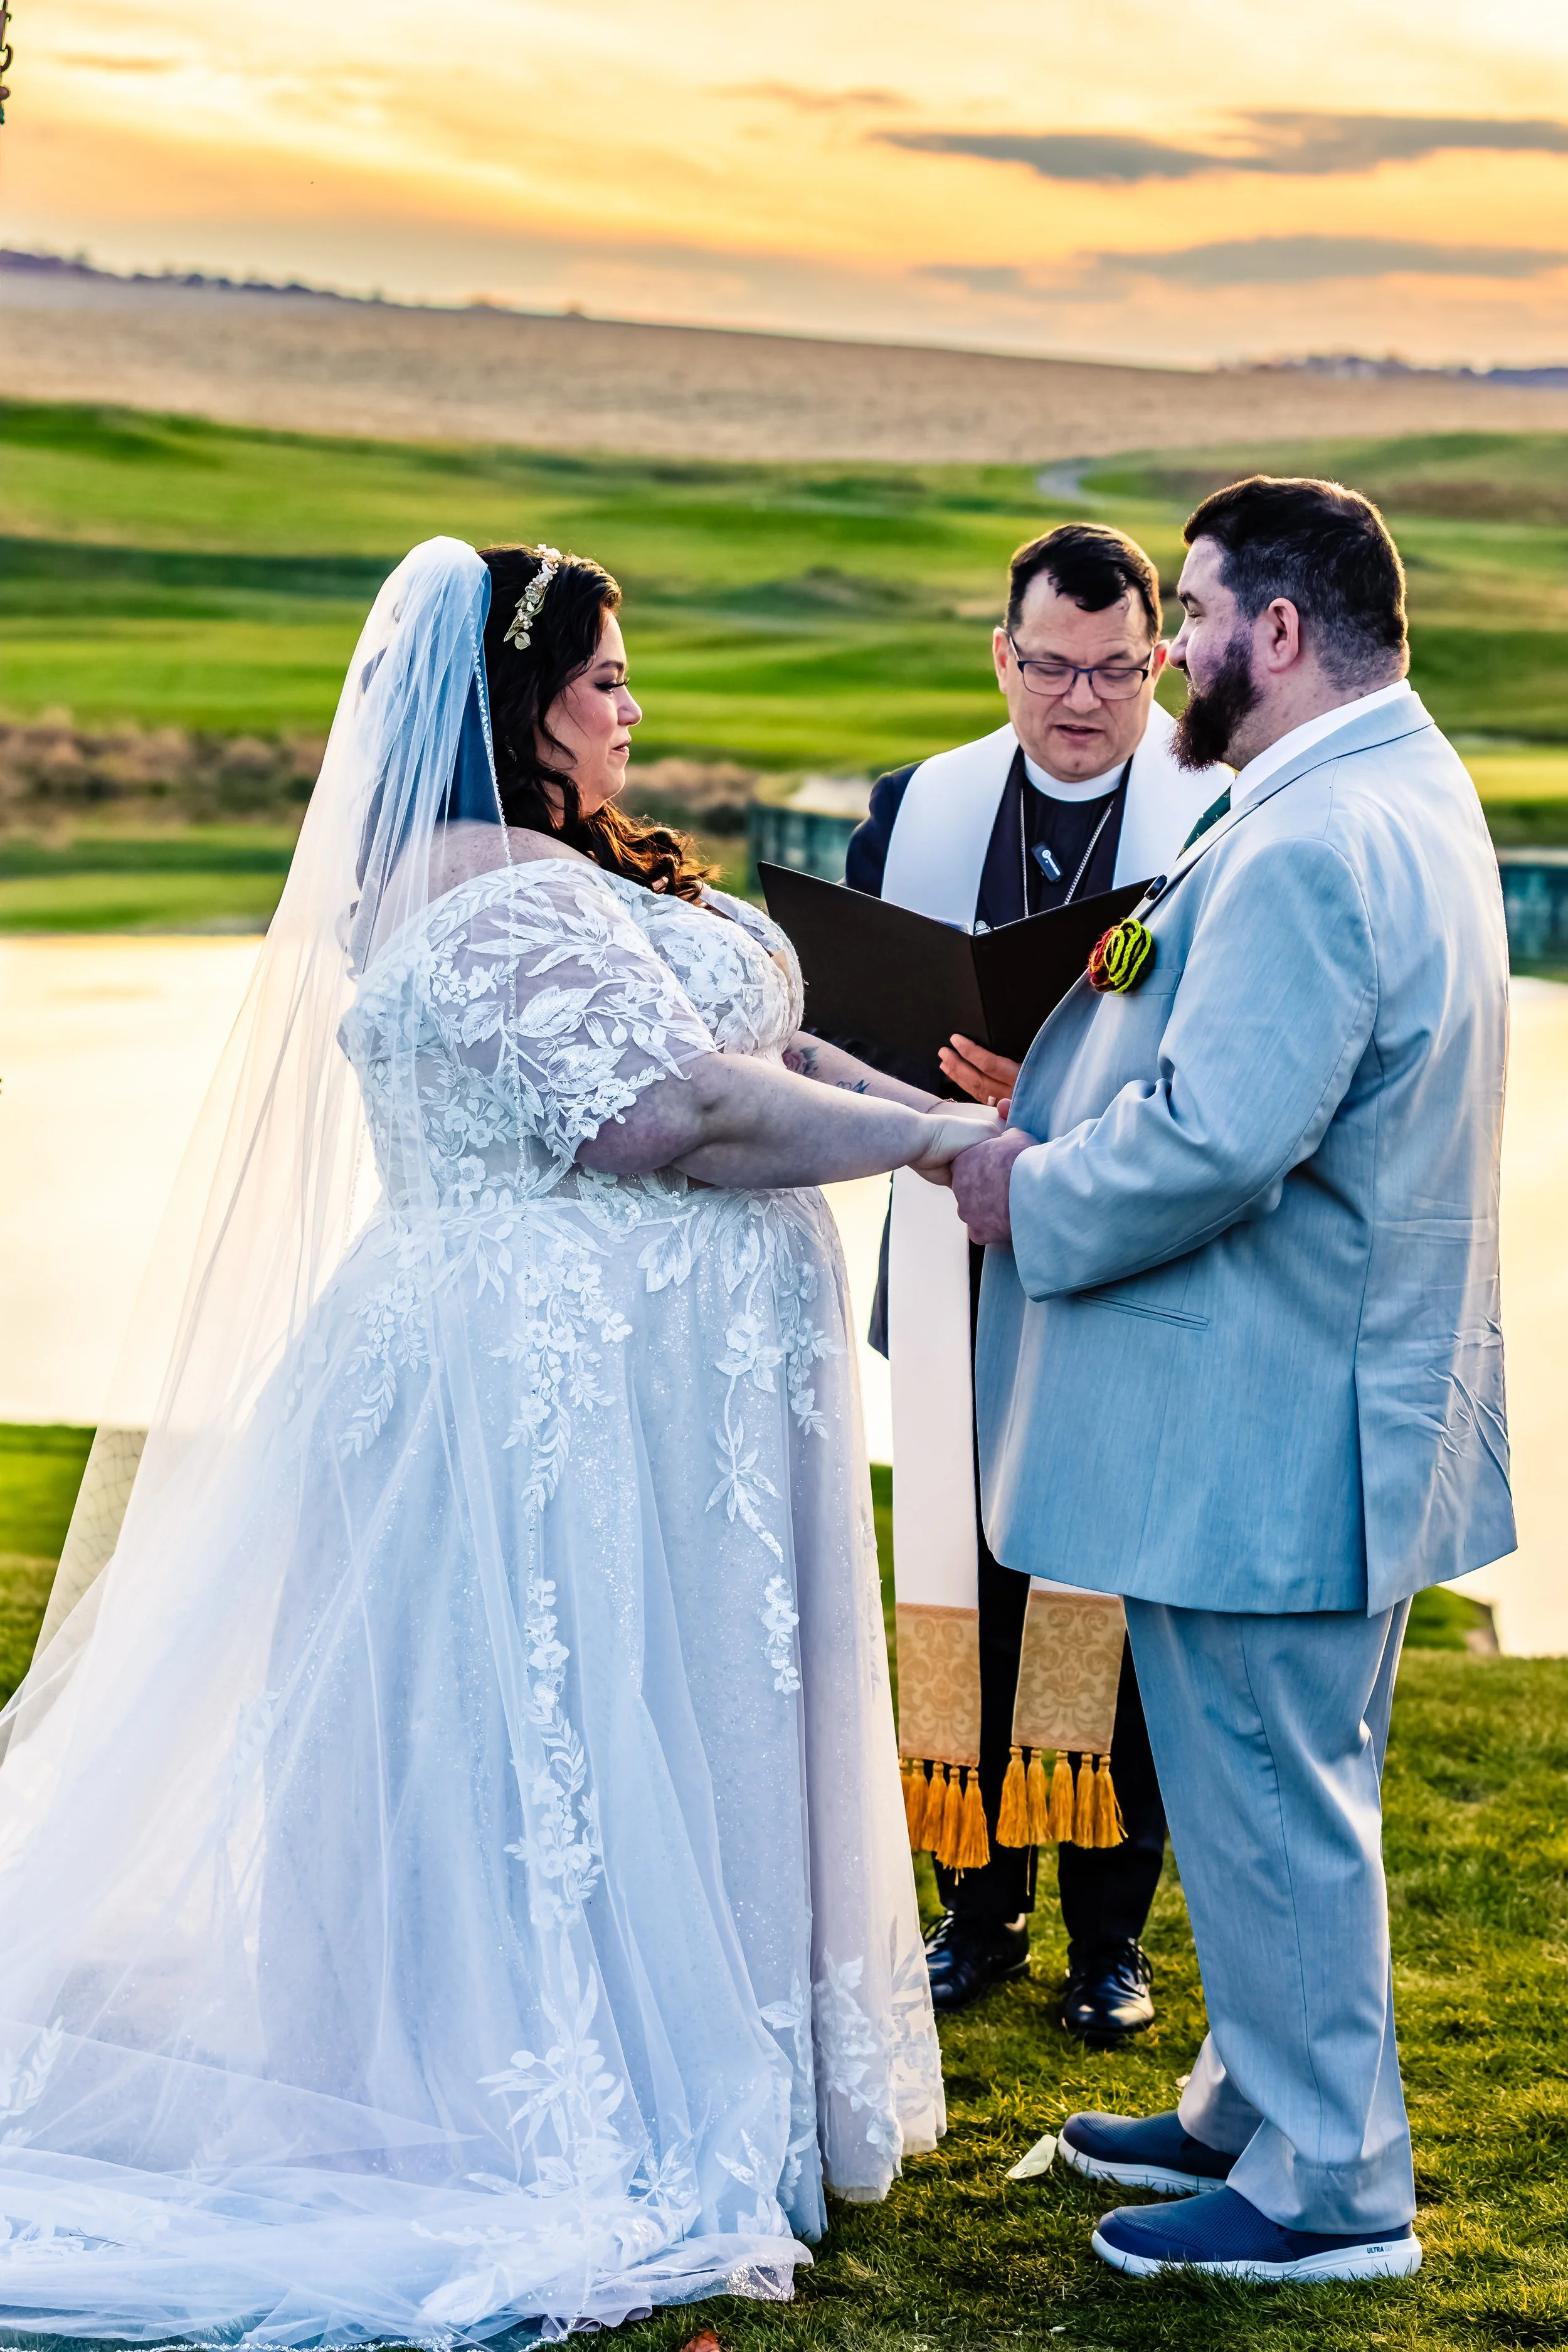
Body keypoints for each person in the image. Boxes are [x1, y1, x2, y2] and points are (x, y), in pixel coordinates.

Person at [0, 538, 990, 2344]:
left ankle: (704, 2049)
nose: (631, 709)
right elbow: (666, 1107)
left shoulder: (581, 868)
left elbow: (761, 1037)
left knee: (667, 1713)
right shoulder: (476, 894)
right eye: (604, 678)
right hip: (537, 1397)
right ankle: (532, 2079)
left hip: (655, 1403)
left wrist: (934, 1107)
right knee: (549, 1723)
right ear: (512, 701)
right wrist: (932, 1158)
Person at [951, 477, 1514, 2282]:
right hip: (1334, 1397)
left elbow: (1216, 1138)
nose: (1169, 643)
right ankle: (1250, 2096)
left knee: (1271, 1791)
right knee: (1284, 1775)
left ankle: (1331, 2186)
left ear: (1276, 630)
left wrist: (1018, 1181)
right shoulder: (1389, 786)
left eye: (1189, 609)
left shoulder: (1311, 841)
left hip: (1273, 1415)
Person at [838, 524, 1226, 2037]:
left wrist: (1049, 1082)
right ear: (1000, 656)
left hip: (1114, 1251)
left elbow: (1221, 1059)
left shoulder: (1217, 815)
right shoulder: (915, 807)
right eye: (1050, 666)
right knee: (967, 1573)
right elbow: (851, 1017)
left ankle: (1107, 1943)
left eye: (1116, 668)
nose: (1080, 699)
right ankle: (975, 1909)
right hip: (949, 1253)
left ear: (1158, 661)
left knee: (1109, 1587)